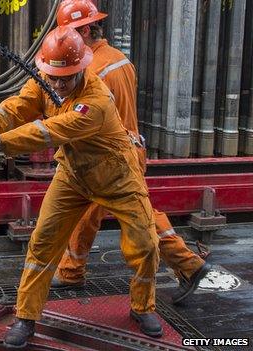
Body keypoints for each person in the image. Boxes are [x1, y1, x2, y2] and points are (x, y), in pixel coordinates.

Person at [0, 25, 163, 345]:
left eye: (64, 78)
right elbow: (17, 107)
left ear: (81, 68)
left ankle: (142, 306)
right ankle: (26, 316)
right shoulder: (46, 81)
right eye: (52, 77)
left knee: (145, 244)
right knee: (42, 243)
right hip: (73, 176)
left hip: (117, 177)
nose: (57, 84)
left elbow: (50, 131)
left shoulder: (95, 101)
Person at [52, 0, 209, 305]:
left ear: (85, 30)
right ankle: (72, 269)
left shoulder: (92, 69)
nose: (66, 41)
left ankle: (191, 266)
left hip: (110, 156)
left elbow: (80, 116)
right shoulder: (119, 60)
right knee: (89, 212)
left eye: (70, 33)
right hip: (128, 148)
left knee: (141, 217)